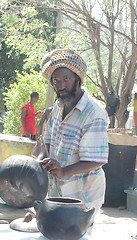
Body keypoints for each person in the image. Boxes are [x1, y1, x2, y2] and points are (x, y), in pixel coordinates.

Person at [38, 48, 109, 227]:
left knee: (76, 235)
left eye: (66, 79)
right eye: (56, 80)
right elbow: (46, 139)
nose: (60, 86)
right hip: (57, 192)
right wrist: (37, 162)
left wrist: (63, 171)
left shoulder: (94, 114)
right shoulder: (58, 106)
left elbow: (96, 160)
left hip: (83, 196)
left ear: (78, 79)